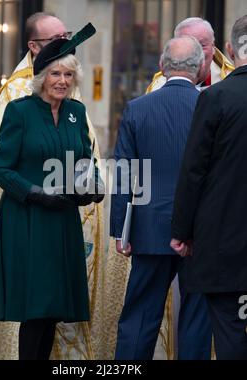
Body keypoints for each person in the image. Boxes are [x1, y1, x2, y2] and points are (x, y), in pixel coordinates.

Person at [0, 13, 105, 360]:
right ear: (41, 76)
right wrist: (35, 192)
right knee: (35, 309)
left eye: (68, 74)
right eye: (55, 73)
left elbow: (86, 160)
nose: (62, 81)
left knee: (53, 309)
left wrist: (93, 184)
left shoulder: (76, 113)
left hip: (62, 222)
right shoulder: (19, 111)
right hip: (27, 220)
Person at [103, 17, 234, 360]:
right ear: (201, 66)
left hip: (148, 228)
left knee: (140, 316)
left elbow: (125, 174)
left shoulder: (137, 108)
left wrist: (121, 229)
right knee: (195, 318)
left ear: (161, 66)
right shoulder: (213, 106)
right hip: (198, 232)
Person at [170, 15, 247, 361]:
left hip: (223, 241)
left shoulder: (215, 98)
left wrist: (182, 231)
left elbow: (193, 171)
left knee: (229, 327)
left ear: (228, 50)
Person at [147, 17, 234, 93]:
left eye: (202, 45)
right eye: (186, 46)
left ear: (213, 47)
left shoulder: (230, 82)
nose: (196, 53)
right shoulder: (158, 86)